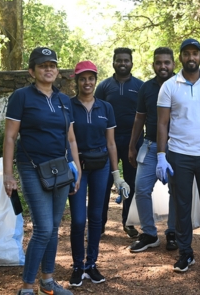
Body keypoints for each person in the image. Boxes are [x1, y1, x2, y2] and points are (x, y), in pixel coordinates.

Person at [3, 47, 81, 295]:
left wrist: (76, 168)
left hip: (60, 169)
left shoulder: (64, 100)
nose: (49, 69)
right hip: (31, 168)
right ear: (32, 71)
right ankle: (27, 287)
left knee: (55, 227)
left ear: (57, 71)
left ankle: (47, 281)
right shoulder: (21, 97)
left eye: (52, 65)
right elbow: (10, 137)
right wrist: (8, 174)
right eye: (43, 65)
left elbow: (71, 139)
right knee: (44, 228)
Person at [156, 38, 200, 273]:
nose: (191, 58)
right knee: (182, 206)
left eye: (195, 53)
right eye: (187, 54)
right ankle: (186, 254)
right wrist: (161, 155)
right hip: (178, 155)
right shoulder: (169, 86)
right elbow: (162, 124)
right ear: (181, 58)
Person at [68, 61, 130, 287]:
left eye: (91, 78)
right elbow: (68, 140)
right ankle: (77, 266)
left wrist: (117, 174)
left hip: (101, 166)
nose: (87, 82)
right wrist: (73, 165)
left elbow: (111, 143)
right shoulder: (68, 106)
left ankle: (91, 264)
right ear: (77, 81)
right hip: (78, 166)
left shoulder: (106, 108)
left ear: (95, 80)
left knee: (96, 218)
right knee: (78, 219)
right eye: (82, 78)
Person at [128, 47, 178, 253]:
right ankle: (149, 233)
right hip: (149, 146)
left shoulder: (181, 84)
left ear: (173, 64)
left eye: (167, 62)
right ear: (153, 65)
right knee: (141, 189)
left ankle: (173, 232)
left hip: (176, 146)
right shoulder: (146, 88)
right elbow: (140, 117)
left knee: (176, 191)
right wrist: (132, 145)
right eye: (159, 63)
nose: (163, 66)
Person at [95, 48, 143, 238]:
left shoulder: (140, 86)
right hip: (108, 143)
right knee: (103, 184)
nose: (122, 63)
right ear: (113, 62)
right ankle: (99, 225)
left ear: (132, 63)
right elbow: (96, 111)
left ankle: (128, 223)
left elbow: (145, 115)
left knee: (131, 183)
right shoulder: (104, 86)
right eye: (119, 60)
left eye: (126, 60)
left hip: (134, 142)